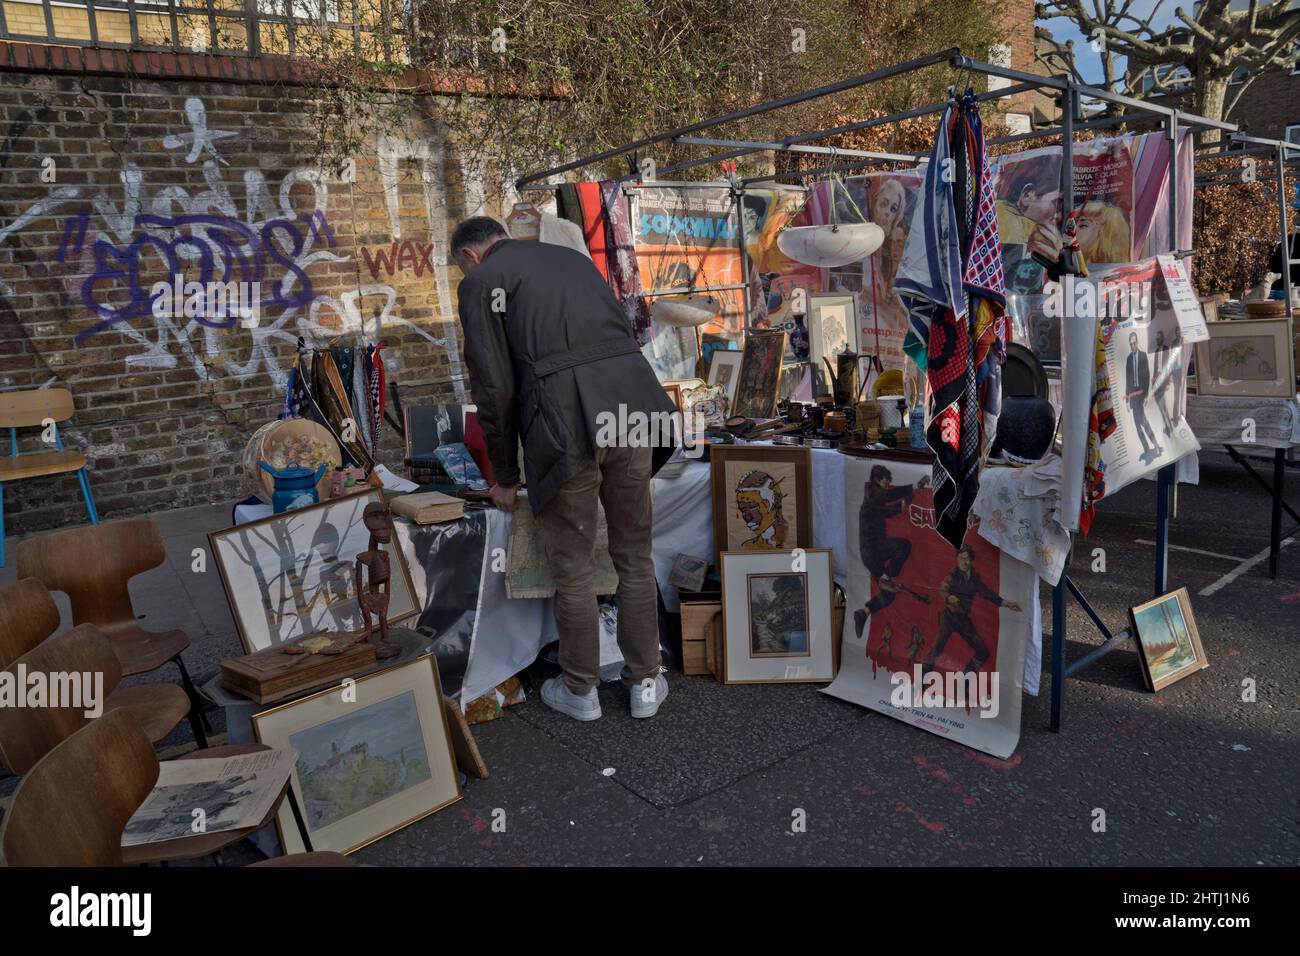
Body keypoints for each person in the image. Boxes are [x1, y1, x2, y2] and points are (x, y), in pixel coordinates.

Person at [451, 216, 678, 722]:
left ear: (468, 255)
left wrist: (505, 476)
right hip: (631, 406)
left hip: (565, 421)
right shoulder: (572, 259)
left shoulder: (481, 283)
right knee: (634, 555)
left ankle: (581, 692)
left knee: (573, 566)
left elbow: (494, 388)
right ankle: (645, 682)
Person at [853, 464, 930, 639]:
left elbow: (889, 511)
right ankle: (887, 578)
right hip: (873, 550)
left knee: (888, 596)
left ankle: (863, 612)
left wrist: (908, 499)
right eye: (886, 481)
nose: (888, 485)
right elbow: (889, 496)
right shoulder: (873, 493)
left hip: (873, 553)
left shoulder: (874, 500)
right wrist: (914, 488)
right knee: (903, 546)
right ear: (876, 480)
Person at [922, 545, 1022, 676]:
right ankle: (920, 681)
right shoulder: (952, 574)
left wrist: (1006, 603)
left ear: (971, 560)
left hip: (963, 620)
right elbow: (943, 588)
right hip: (949, 617)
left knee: (983, 651)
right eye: (961, 558)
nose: (964, 562)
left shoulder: (974, 578)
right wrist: (948, 597)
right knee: (936, 650)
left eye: (967, 559)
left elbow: (987, 593)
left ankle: (963, 682)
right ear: (957, 559)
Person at [1123, 331, 1162, 463]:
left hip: (1141, 393)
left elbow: (1147, 377)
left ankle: (1155, 447)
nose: (1132, 346)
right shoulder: (1128, 359)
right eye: (1130, 344)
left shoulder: (1143, 356)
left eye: (1134, 343)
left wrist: (1146, 396)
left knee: (1143, 423)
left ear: (1137, 342)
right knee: (1138, 425)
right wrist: (1127, 399)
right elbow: (1127, 379)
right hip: (1133, 395)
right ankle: (1147, 450)